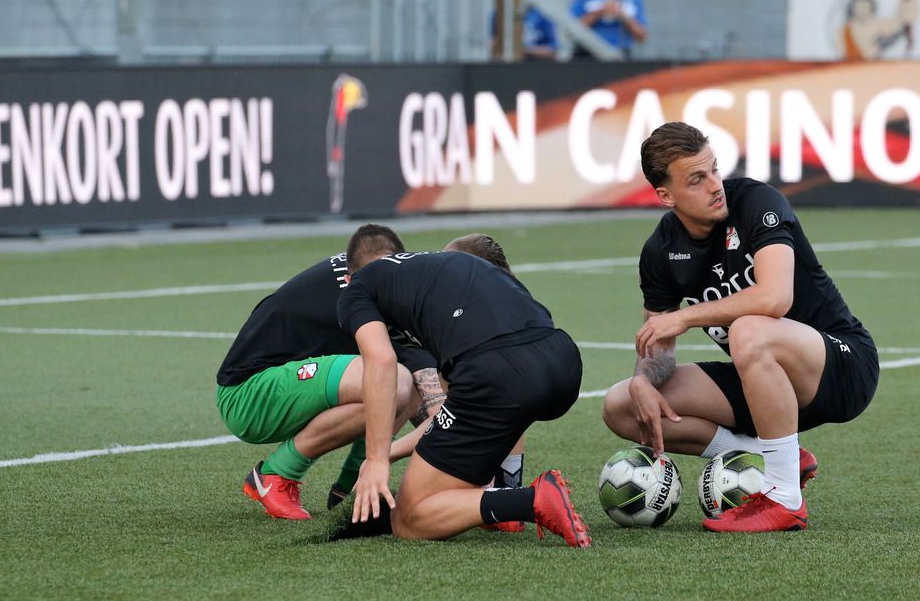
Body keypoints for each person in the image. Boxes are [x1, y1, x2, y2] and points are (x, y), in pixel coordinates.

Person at [601, 122, 879, 532]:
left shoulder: (755, 201)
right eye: (697, 179)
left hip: (839, 367)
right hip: (763, 380)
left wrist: (683, 316)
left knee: (749, 328)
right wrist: (645, 378)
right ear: (666, 196)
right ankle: (773, 456)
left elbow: (774, 299)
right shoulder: (660, 252)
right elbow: (659, 349)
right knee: (622, 405)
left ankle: (784, 498)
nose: (715, 185)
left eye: (714, 169)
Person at [337, 233, 591, 548]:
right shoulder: (452, 268)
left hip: (498, 376)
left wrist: (375, 459)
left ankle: (528, 501)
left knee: (408, 518)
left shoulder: (357, 289)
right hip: (562, 362)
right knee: (502, 405)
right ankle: (504, 495)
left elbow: (382, 362)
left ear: (351, 277)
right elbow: (454, 410)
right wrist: (390, 453)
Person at [216, 225, 442, 520]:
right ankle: (276, 475)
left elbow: (421, 383)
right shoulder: (360, 292)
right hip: (248, 394)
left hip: (279, 385)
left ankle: (351, 490)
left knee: (402, 385)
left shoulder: (365, 271)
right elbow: (431, 397)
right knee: (395, 380)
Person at [570, 0, 647, 59]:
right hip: (587, 53)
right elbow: (572, 30)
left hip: (620, 54)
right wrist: (600, 11)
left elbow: (642, 36)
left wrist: (622, 14)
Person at [836, 0, 918, 60]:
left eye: (865, 6)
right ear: (852, 8)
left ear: (871, 7)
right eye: (859, 6)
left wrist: (907, 4)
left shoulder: (879, 24)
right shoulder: (844, 31)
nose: (862, 10)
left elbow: (898, 22)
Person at [491, 5, 558, 61]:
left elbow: (553, 49)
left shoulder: (542, 15)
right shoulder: (499, 15)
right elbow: (493, 46)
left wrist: (525, 51)